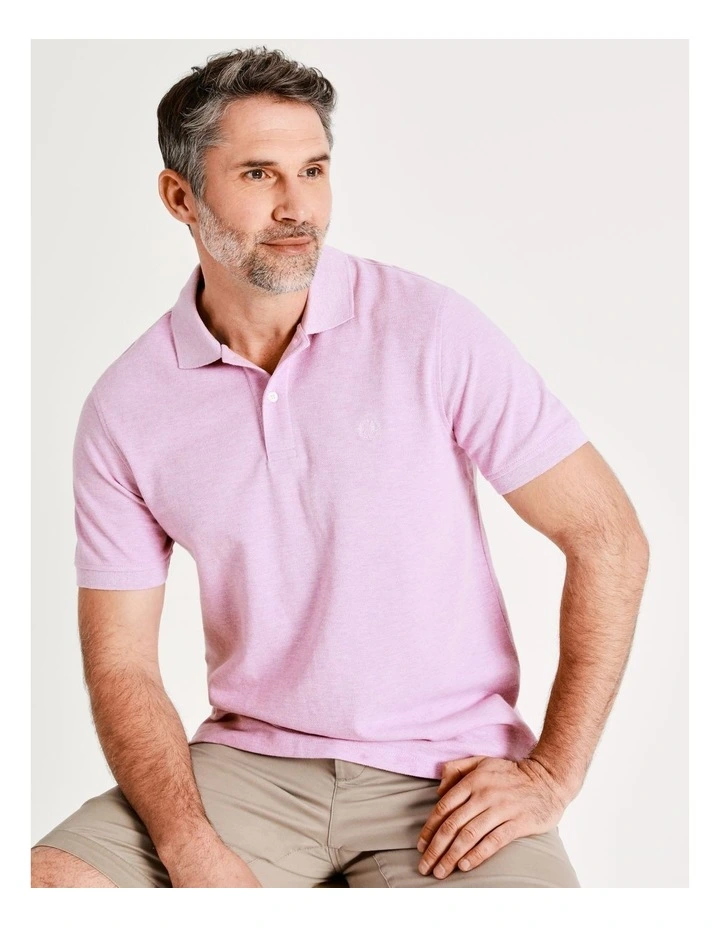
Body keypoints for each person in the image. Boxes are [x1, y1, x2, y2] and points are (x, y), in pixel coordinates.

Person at [31, 46, 650, 889]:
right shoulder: (126, 407)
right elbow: (122, 664)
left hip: (448, 777)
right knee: (53, 886)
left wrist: (551, 776)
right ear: (181, 197)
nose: (298, 207)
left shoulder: (429, 329)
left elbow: (608, 537)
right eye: (259, 173)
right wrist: (189, 846)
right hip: (247, 772)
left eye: (314, 170)